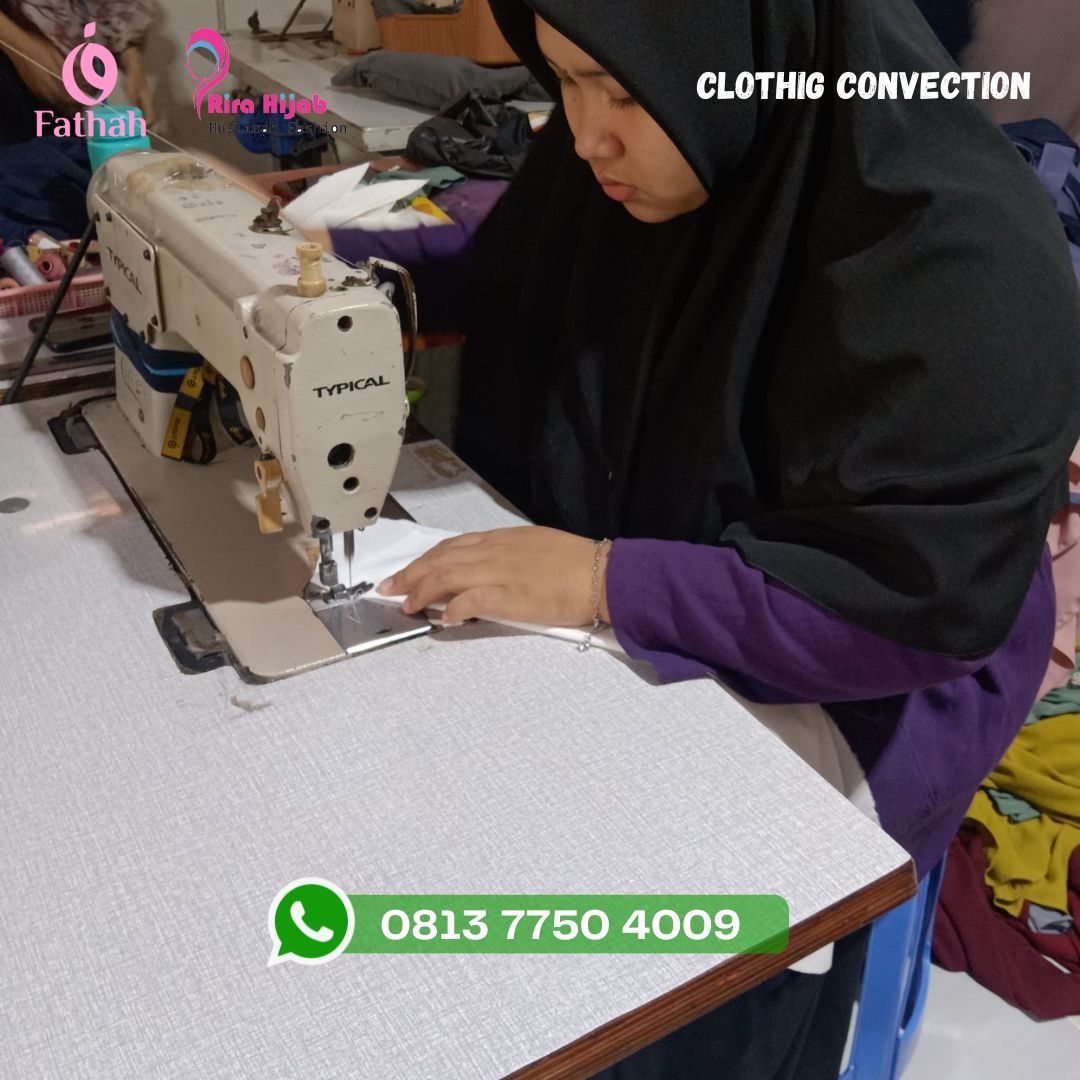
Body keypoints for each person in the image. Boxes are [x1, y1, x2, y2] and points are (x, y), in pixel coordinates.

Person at [376, 0, 1080, 1075]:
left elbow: (908, 607)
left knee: (622, 950)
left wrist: (604, 582)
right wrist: (349, 273)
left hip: (872, 675)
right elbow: (515, 259)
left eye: (620, 90)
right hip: (656, 557)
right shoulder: (653, 145)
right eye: (564, 80)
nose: (587, 135)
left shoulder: (959, 258)